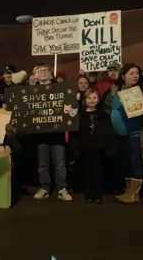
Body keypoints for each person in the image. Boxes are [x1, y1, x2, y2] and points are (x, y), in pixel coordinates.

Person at [105, 63, 143, 204]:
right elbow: (107, 106)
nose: (135, 75)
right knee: (127, 162)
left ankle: (134, 194)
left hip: (139, 133)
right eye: (131, 73)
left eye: (136, 73)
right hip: (121, 133)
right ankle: (129, 191)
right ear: (123, 76)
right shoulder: (115, 89)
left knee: (136, 162)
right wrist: (112, 119)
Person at [31, 64, 73, 201]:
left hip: (57, 132)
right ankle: (44, 188)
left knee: (60, 164)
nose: (43, 72)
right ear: (35, 75)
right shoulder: (30, 92)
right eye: (39, 70)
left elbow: (69, 107)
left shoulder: (61, 89)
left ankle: (62, 188)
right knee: (42, 164)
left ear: (50, 73)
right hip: (40, 134)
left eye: (46, 70)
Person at [75, 89, 115, 203]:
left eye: (94, 98)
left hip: (99, 147)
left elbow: (108, 131)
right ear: (84, 100)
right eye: (89, 98)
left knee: (98, 170)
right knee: (87, 170)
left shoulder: (103, 114)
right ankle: (88, 192)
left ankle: (97, 193)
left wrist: (108, 146)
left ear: (98, 99)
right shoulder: (80, 114)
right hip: (85, 146)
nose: (92, 100)